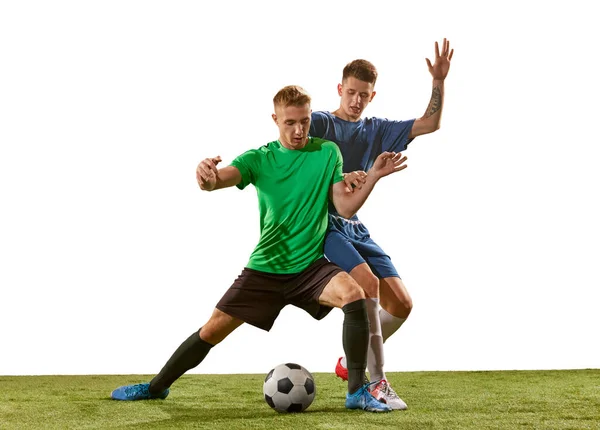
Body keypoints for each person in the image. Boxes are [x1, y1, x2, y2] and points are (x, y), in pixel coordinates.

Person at [110, 85, 408, 413]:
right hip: (266, 269)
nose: (298, 130)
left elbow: (344, 206)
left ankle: (356, 392)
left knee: (354, 293)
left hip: (309, 266)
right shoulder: (259, 159)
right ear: (275, 119)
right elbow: (217, 181)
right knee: (211, 330)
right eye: (290, 123)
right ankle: (155, 387)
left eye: (305, 122)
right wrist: (206, 176)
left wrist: (375, 176)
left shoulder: (327, 153)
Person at [309, 38, 454, 410]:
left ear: (372, 97)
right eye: (351, 92)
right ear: (340, 90)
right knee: (369, 284)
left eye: (364, 95)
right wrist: (338, 177)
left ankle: (349, 361)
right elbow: (289, 142)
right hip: (324, 226)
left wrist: (438, 80)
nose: (356, 100)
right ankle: (377, 383)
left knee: (402, 303)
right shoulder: (321, 124)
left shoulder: (377, 129)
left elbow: (431, 123)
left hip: (355, 226)